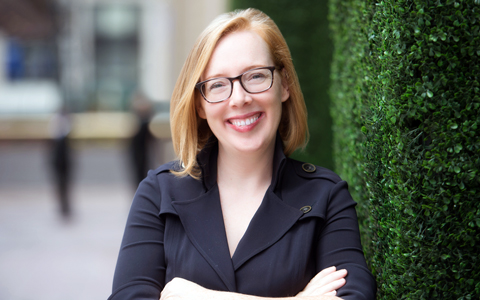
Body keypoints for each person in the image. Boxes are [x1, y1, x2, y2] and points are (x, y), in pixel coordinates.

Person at [108, 8, 376, 300]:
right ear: (200, 104)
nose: (240, 99)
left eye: (257, 76)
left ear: (284, 84)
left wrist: (203, 297)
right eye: (219, 85)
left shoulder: (327, 197)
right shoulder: (159, 193)